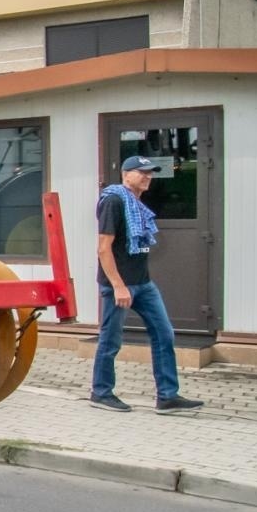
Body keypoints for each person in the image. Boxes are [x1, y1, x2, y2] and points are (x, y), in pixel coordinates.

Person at [90, 155, 204, 415]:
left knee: (164, 333)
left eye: (150, 173)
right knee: (111, 340)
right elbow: (103, 248)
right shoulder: (114, 201)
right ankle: (101, 392)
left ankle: (167, 396)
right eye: (142, 172)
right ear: (126, 174)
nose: (148, 177)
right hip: (119, 285)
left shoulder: (136, 204)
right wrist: (118, 286)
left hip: (143, 283)